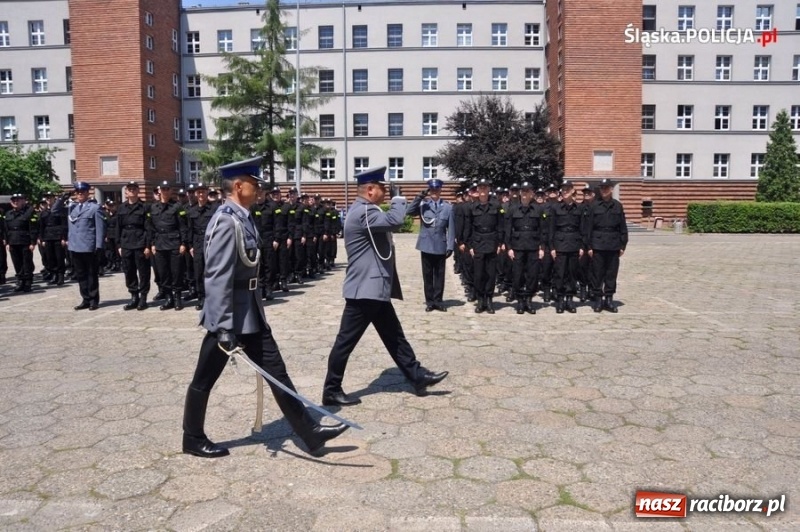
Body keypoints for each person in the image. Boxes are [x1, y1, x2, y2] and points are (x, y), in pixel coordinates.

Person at [182, 156, 348, 458]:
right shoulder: (225, 221)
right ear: (239, 185)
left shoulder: (243, 217)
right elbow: (217, 276)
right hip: (230, 319)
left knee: (277, 372)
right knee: (204, 379)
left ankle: (309, 432)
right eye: (255, 184)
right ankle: (192, 437)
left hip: (250, 315)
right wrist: (222, 327)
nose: (259, 189)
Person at [322, 166, 448, 407]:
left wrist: (412, 200)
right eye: (383, 187)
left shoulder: (367, 210)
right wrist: (399, 196)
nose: (386, 191)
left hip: (374, 288)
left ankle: (417, 376)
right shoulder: (363, 212)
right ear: (370, 190)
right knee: (345, 342)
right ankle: (331, 390)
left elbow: (397, 219)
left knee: (394, 336)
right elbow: (396, 219)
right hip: (364, 290)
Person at [406, 178, 455, 312]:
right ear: (429, 191)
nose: (434, 192)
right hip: (426, 244)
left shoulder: (448, 207)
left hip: (440, 244)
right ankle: (429, 301)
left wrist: (450, 246)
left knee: (439, 275)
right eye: (432, 190)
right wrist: (420, 196)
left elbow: (451, 229)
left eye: (436, 189)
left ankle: (438, 301)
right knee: (427, 274)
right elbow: (409, 211)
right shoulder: (423, 205)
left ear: (440, 190)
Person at [462, 178, 505, 314]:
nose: (482, 190)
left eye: (485, 188)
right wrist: (470, 245)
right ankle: (480, 300)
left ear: (489, 189)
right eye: (480, 188)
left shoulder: (496, 206)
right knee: (479, 273)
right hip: (478, 242)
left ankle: (489, 299)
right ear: (477, 190)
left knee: (491, 274)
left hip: (492, 242)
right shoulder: (472, 207)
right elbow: (468, 227)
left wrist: (499, 243)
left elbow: (500, 226)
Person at [584, 178, 628, 312]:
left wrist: (623, 245)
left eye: (606, 188)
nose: (604, 190)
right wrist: (589, 246)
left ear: (611, 189)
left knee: (611, 273)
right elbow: (588, 228)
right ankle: (598, 299)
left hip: (614, 244)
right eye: (602, 188)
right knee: (597, 273)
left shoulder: (617, 205)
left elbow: (622, 227)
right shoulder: (594, 206)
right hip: (597, 243)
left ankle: (609, 299)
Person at [504, 182, 546, 314]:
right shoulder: (513, 209)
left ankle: (529, 299)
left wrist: (542, 248)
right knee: (518, 274)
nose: (525, 194)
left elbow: (542, 230)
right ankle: (520, 301)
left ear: (532, 193)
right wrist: (509, 247)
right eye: (523, 191)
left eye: (528, 191)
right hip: (517, 247)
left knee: (532, 275)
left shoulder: (538, 210)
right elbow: (508, 229)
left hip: (533, 246)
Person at [147, 181, 189, 310]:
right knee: (163, 273)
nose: (165, 191)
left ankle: (177, 298)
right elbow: (151, 228)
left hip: (174, 243)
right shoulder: (153, 207)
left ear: (171, 191)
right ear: (159, 191)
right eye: (163, 189)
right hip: (159, 244)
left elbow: (183, 226)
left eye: (167, 189)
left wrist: (183, 243)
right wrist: (152, 244)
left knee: (176, 273)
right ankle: (168, 298)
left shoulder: (177, 207)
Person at [67, 182, 106, 310]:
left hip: (89, 246)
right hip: (75, 246)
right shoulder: (72, 207)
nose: (80, 194)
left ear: (87, 193)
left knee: (91, 274)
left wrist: (99, 246)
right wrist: (64, 196)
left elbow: (100, 228)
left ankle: (94, 299)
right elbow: (55, 210)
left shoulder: (94, 208)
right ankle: (85, 299)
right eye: (77, 192)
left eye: (82, 192)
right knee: (81, 275)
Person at [548, 181, 583, 313]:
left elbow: (582, 228)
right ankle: (560, 299)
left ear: (573, 190)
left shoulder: (579, 208)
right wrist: (552, 247)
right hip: (560, 244)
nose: (565, 191)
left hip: (574, 243)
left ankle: (570, 299)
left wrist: (582, 246)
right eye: (563, 189)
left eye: (567, 188)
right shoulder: (555, 208)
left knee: (572, 273)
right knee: (560, 273)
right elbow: (551, 228)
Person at [116, 181, 152, 310]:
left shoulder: (145, 207)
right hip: (126, 243)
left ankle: (143, 298)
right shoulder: (121, 208)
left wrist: (148, 245)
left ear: (138, 191)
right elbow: (118, 228)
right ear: (126, 192)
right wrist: (119, 245)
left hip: (140, 242)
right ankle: (134, 296)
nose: (131, 191)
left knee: (143, 272)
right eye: (129, 189)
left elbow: (148, 228)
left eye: (134, 188)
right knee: (129, 271)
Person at [187, 183, 218, 310]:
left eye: (203, 192)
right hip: (198, 243)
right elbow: (190, 229)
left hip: (212, 242)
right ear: (195, 194)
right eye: (199, 192)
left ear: (207, 193)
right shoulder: (191, 210)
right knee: (199, 272)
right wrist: (191, 245)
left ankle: (214, 298)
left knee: (212, 272)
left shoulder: (214, 209)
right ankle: (202, 298)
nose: (201, 194)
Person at [5, 193, 39, 292]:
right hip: (13, 241)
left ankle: (28, 282)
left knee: (26, 262)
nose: (15, 202)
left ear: (22, 201)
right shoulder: (8, 214)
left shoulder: (28, 212)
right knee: (17, 263)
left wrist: (33, 242)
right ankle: (20, 281)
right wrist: (7, 242)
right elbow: (6, 229)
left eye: (18, 200)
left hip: (25, 241)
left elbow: (33, 228)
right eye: (14, 200)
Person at [39, 192, 68, 286]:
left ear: (54, 199)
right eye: (47, 198)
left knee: (59, 257)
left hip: (58, 236)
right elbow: (41, 227)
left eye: (50, 198)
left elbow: (64, 225)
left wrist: (64, 237)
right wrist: (42, 239)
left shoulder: (60, 210)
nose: (48, 200)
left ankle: (60, 276)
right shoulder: (43, 213)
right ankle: (54, 274)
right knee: (50, 257)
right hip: (48, 237)